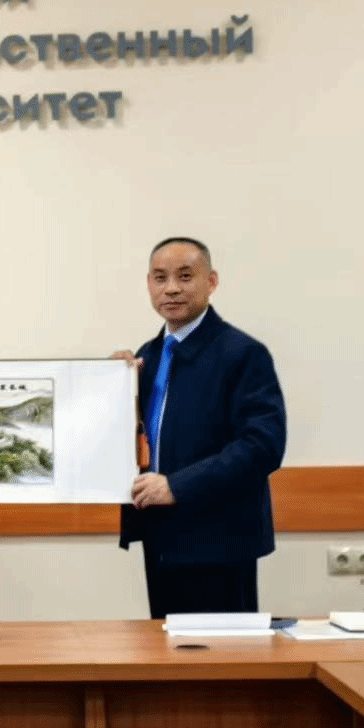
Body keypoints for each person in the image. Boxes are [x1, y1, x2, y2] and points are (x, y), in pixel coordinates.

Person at [113, 237, 286, 618]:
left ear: (212, 282)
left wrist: (177, 485)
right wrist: (107, 384)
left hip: (220, 539)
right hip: (160, 535)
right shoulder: (145, 357)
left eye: (185, 276)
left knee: (220, 654)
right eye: (160, 278)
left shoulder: (243, 353)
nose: (171, 288)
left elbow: (263, 446)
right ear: (148, 284)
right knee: (164, 650)